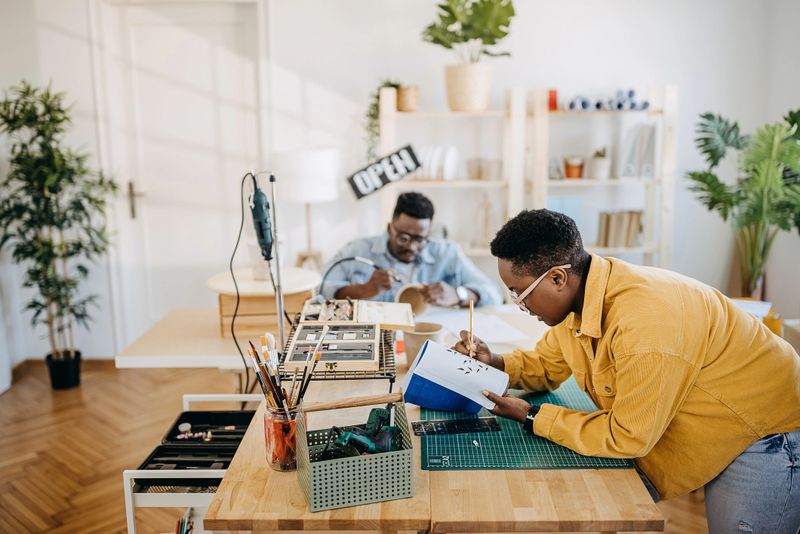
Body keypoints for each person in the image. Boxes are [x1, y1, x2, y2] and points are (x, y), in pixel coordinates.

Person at [453, 208, 800, 533]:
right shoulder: (583, 297)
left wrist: (532, 416)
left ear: (557, 277)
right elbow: (548, 364)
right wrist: (495, 361)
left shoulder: (645, 324)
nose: (521, 305)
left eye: (519, 293)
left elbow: (629, 436)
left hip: (766, 428)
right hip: (711, 414)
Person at [320, 192, 502, 307]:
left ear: (429, 233)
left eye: (420, 239)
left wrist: (458, 294)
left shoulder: (447, 253)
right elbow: (319, 289)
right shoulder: (358, 250)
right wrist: (363, 290)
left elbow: (494, 294)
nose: (411, 247)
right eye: (403, 238)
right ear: (389, 227)